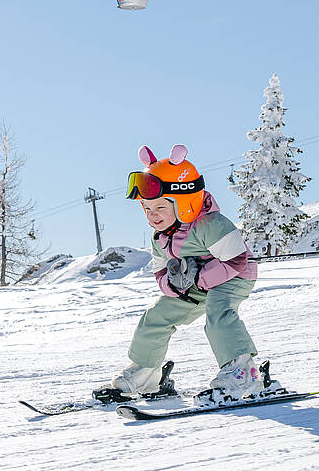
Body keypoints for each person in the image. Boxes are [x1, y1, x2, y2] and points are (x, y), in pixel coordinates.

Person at [94, 144, 279, 405]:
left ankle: (242, 373)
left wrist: (199, 278)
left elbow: (236, 261)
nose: (152, 216)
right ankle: (147, 375)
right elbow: (160, 272)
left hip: (235, 276)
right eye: (147, 209)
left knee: (218, 310)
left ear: (183, 203)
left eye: (160, 208)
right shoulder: (160, 237)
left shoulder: (211, 225)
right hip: (195, 285)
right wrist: (174, 284)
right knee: (157, 315)